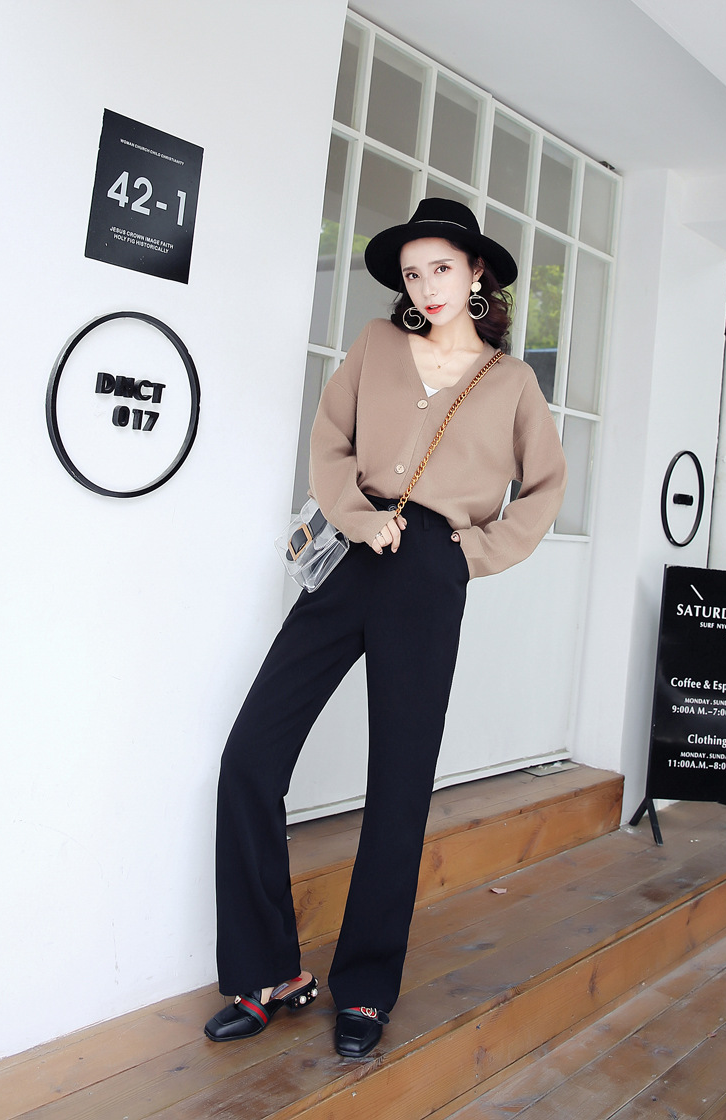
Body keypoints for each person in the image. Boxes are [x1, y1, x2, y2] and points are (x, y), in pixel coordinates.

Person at [204, 198, 567, 1058]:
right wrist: (358, 518)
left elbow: (546, 488)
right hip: (351, 553)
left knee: (400, 785)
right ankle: (267, 972)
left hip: (431, 571)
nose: (426, 285)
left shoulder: (511, 383)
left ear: (475, 274)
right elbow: (330, 442)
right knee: (251, 755)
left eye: (441, 267)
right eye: (412, 272)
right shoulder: (374, 346)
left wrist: (469, 554)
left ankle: (365, 987)